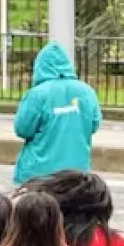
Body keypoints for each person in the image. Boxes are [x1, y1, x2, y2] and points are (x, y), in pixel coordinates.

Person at [14, 43, 102, 184]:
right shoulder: (87, 92)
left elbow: (22, 129)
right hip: (77, 173)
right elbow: (94, 124)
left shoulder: (37, 94)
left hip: (39, 175)